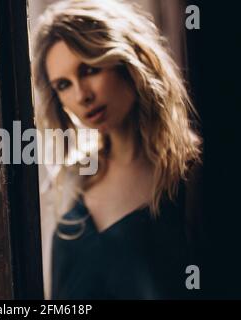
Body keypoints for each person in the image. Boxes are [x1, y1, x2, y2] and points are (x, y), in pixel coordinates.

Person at [32, 0, 203, 299]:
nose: (81, 95)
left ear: (129, 62)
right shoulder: (69, 180)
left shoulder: (189, 172)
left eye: (89, 69)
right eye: (63, 85)